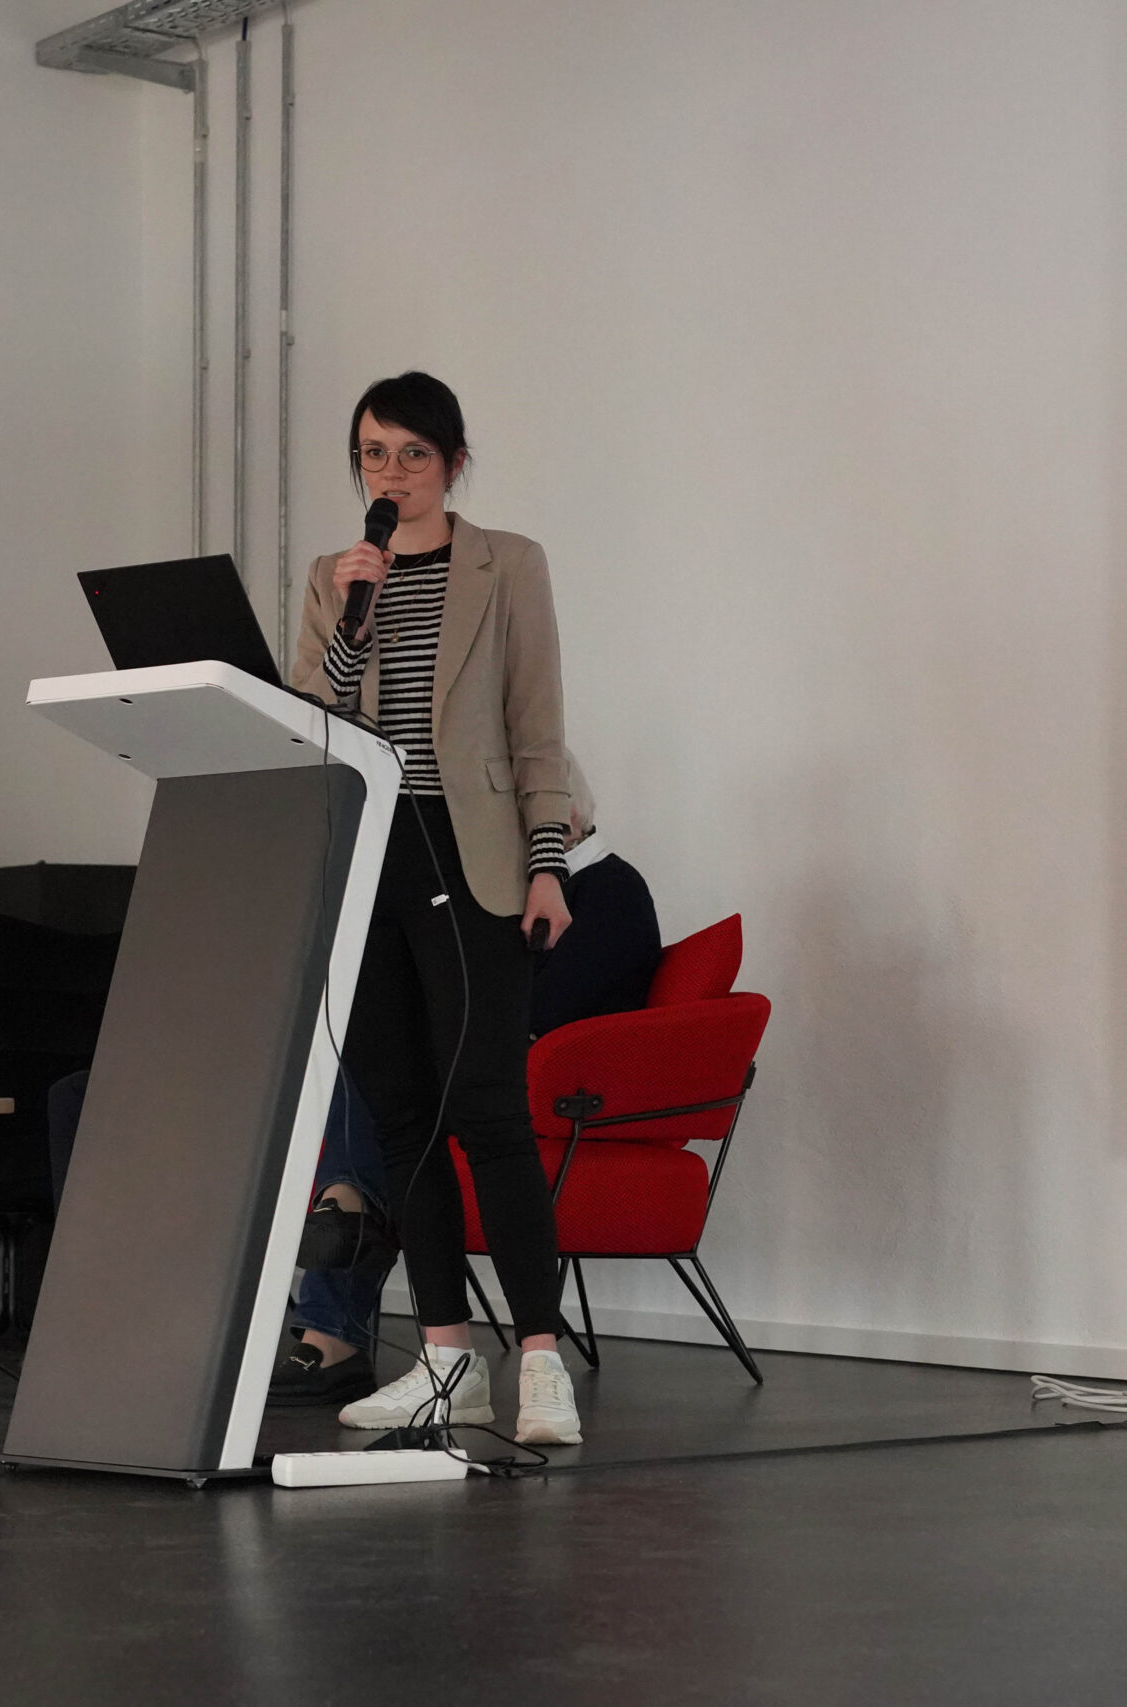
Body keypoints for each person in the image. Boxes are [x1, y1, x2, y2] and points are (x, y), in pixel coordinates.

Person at [287, 370, 585, 1445]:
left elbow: (535, 727)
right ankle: (446, 1358)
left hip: (477, 864)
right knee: (404, 1124)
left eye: (413, 453)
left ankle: (541, 1364)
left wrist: (546, 864)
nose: (391, 474)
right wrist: (350, 621)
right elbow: (308, 715)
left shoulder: (509, 564)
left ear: (454, 462)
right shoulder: (335, 578)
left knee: (490, 1117)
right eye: (372, 454)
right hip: (369, 860)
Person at [271, 768, 660, 1407]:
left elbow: (550, 1004)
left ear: (558, 823)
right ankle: (340, 1235)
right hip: (501, 1062)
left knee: (379, 1099)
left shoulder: (609, 887)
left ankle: (338, 1273)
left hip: (558, 1087)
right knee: (366, 1076)